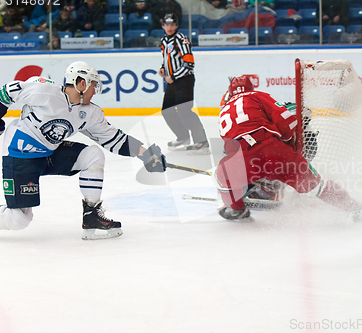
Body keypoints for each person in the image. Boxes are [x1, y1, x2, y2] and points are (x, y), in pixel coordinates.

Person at [0, 61, 168, 240]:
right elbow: (8, 91)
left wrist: (145, 154)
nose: (95, 91)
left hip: (50, 153)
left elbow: (113, 138)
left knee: (93, 155)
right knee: (19, 218)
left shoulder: (90, 113)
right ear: (82, 83)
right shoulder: (45, 91)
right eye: (93, 86)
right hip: (19, 153)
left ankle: (91, 216)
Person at [216, 76, 362, 220]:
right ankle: (356, 208)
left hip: (242, 159)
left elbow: (228, 146)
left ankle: (236, 209)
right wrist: (287, 145)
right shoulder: (257, 95)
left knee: (222, 176)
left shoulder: (223, 111)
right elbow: (285, 120)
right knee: (317, 186)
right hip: (274, 150)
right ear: (251, 87)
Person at [158, 13, 210, 155]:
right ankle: (183, 137)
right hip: (173, 81)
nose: (169, 27)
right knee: (167, 111)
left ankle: (202, 142)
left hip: (184, 81)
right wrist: (163, 68)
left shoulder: (181, 39)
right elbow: (167, 58)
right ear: (163, 26)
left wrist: (173, 76)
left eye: (172, 24)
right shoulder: (164, 40)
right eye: (167, 25)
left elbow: (189, 64)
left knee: (184, 111)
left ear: (176, 25)